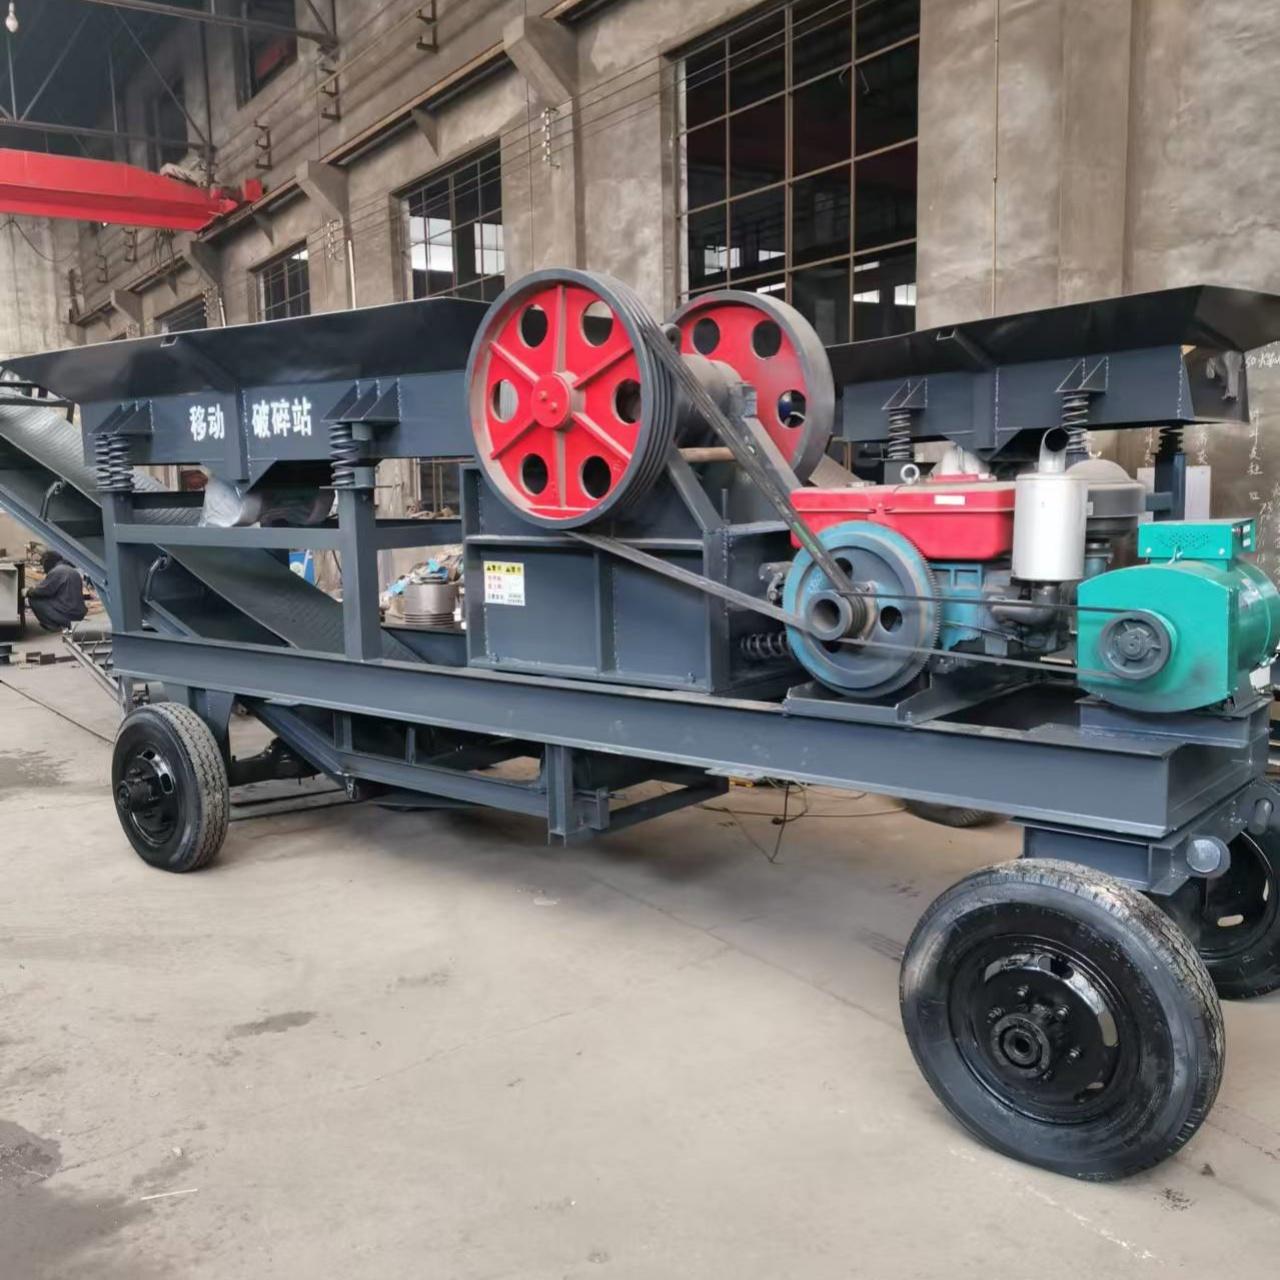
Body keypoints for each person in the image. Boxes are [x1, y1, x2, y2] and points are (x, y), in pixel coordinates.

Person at [25, 550, 87, 632]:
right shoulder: (71, 570)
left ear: (48, 562)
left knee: (34, 600)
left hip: (68, 614)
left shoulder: (57, 571)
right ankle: (63, 622)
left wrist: (28, 591)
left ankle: (52, 625)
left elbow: (42, 591)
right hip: (78, 613)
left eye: (43, 564)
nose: (43, 568)